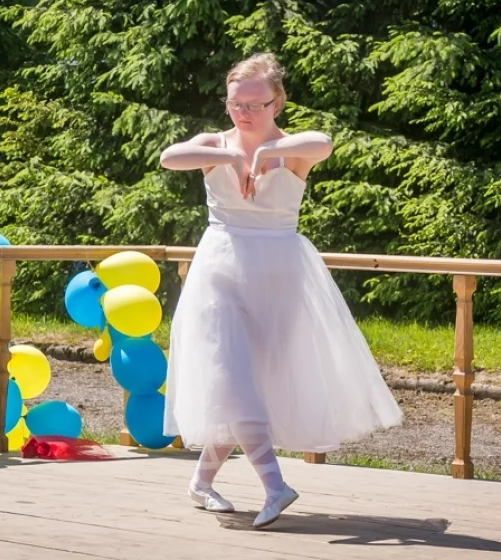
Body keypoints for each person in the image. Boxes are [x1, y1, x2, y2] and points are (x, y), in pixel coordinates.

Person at [159, 53, 403, 529]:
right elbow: (171, 157)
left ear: (277, 102)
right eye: (235, 103)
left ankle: (201, 483)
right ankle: (275, 486)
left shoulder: (292, 148)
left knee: (252, 387)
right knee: (231, 379)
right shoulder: (215, 142)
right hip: (221, 269)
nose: (244, 113)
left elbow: (326, 142)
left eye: (255, 103)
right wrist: (230, 155)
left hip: (278, 273)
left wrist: (265, 155)